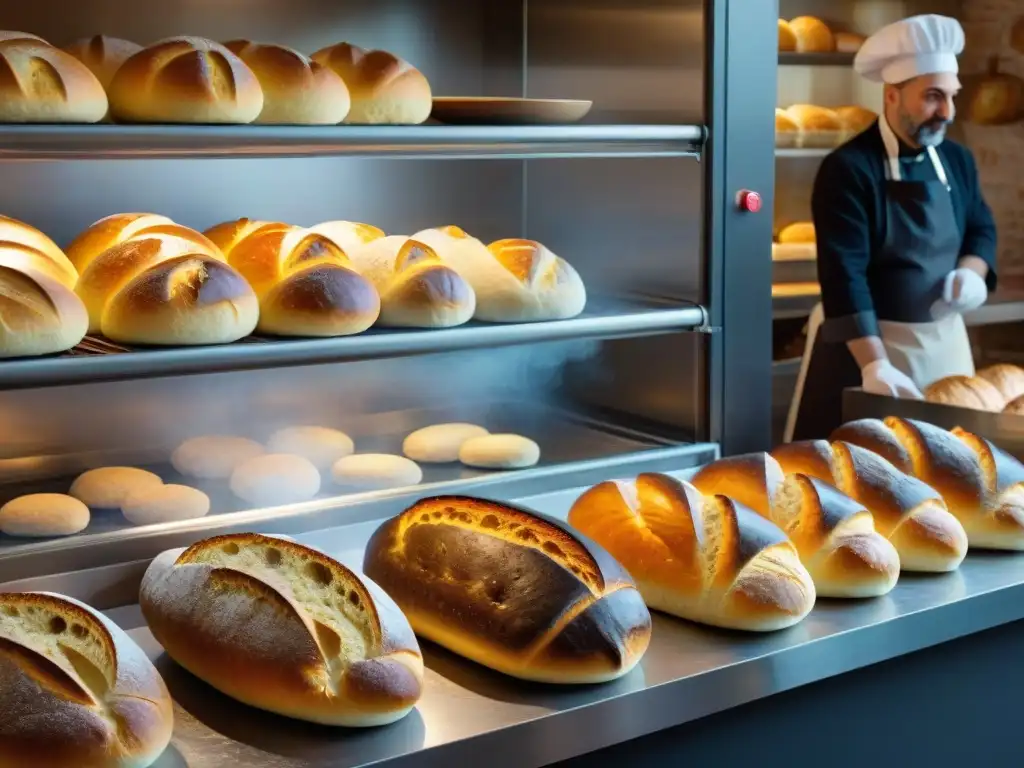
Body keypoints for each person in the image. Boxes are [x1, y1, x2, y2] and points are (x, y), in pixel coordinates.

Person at [785, 14, 997, 442]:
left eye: (952, 97)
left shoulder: (956, 160)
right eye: (933, 97)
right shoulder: (848, 169)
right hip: (865, 346)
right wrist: (874, 365)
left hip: (944, 347)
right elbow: (845, 274)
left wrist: (971, 274)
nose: (947, 112)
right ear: (892, 95)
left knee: (949, 471)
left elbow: (981, 228)